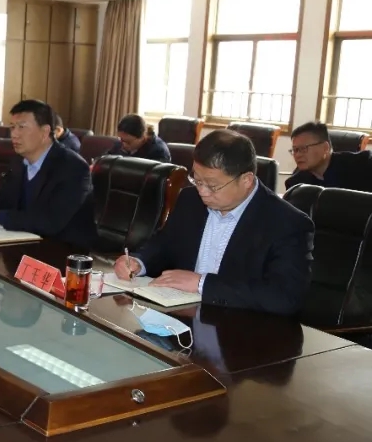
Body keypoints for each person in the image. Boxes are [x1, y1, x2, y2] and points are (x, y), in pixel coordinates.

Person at [114, 130, 313, 317]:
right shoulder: (190, 199)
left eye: (212, 185)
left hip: (242, 329)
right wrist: (139, 262)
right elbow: (164, 244)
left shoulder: (286, 223)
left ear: (246, 180)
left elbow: (285, 296)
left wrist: (202, 284)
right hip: (182, 318)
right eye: (197, 180)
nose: (202, 192)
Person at [0, 99, 96, 249]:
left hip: (63, 250)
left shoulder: (73, 168)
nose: (14, 134)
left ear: (45, 132)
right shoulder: (19, 161)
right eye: (12, 127)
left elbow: (50, 221)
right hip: (24, 243)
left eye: (22, 127)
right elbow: (2, 198)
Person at [285, 121, 372, 192]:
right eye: (295, 150)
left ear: (325, 148)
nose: (297, 155)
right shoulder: (296, 184)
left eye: (303, 149)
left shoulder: (362, 165)